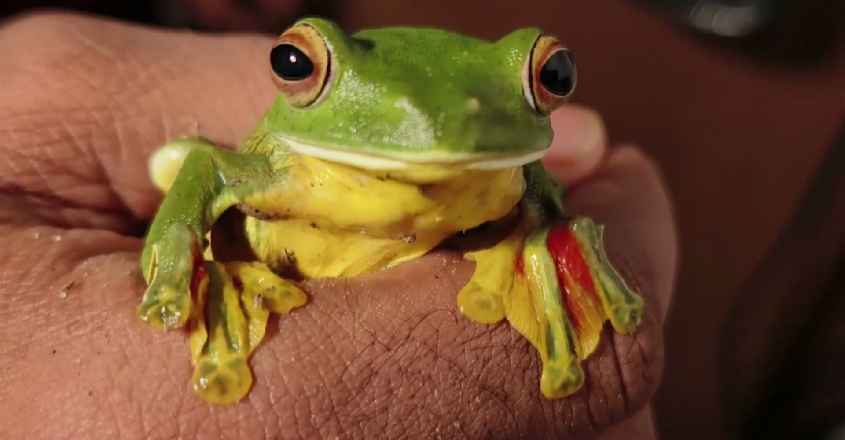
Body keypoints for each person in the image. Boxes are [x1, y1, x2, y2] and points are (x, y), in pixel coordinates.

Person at [0, 11, 676, 439]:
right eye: (299, 65)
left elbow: (540, 185)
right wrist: (176, 245)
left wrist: (547, 236)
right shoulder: (282, 173)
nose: (424, 124)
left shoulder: (511, 175)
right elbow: (201, 167)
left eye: (546, 76)